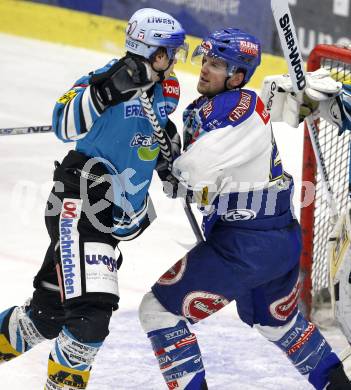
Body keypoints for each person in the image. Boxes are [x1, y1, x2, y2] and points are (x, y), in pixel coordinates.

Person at [138, 28, 351, 390]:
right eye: (206, 60)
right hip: (275, 241)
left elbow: (195, 175)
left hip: (245, 246)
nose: (205, 69)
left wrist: (168, 163)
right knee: (277, 324)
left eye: (217, 64)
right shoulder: (230, 104)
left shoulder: (240, 107)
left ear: (237, 76)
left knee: (157, 311)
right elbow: (202, 185)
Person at [0, 8, 187, 390]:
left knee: (46, 316)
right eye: (170, 52)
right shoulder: (103, 79)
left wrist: (170, 151)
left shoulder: (168, 90)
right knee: (91, 316)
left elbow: (153, 132)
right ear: (149, 51)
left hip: (109, 218)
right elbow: (62, 123)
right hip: (78, 205)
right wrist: (104, 93)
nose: (175, 59)